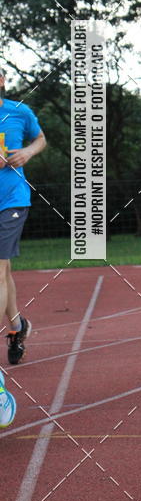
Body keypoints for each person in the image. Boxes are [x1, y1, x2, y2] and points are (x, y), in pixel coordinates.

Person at [0, 67, 46, 368]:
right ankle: (17, 326)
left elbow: (40, 139)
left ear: (1, 80)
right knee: (3, 271)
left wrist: (27, 153)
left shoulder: (19, 111)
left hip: (12, 200)